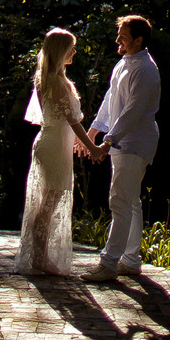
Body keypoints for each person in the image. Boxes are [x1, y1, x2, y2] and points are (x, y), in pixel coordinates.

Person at [15, 27, 108, 276]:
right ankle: (39, 258)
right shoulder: (54, 81)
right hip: (53, 146)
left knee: (47, 202)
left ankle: (39, 257)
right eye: (71, 48)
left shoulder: (51, 78)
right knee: (48, 203)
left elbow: (66, 121)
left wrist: (80, 143)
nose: (74, 52)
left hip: (53, 143)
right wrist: (93, 148)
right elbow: (72, 120)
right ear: (60, 51)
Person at [85, 12, 161, 282]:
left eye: (124, 37)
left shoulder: (146, 70)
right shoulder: (124, 63)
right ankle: (130, 260)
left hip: (134, 144)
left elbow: (133, 111)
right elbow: (111, 98)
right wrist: (94, 130)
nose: (118, 40)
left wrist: (108, 141)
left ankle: (109, 263)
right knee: (131, 202)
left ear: (139, 40)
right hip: (122, 142)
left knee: (119, 201)